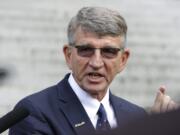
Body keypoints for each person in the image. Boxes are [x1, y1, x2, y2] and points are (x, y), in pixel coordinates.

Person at [8, 7, 178, 135]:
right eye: (86, 50)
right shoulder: (33, 112)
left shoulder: (136, 116)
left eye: (109, 52)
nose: (96, 63)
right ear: (68, 56)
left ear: (123, 60)